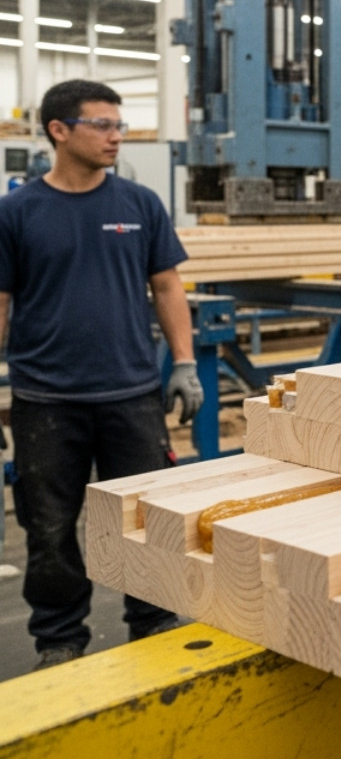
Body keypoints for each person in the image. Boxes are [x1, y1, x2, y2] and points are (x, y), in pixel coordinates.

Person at [0, 80, 201, 668]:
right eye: (103, 125)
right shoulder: (17, 212)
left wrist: (184, 363)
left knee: (145, 521)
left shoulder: (139, 206)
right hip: (46, 400)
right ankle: (60, 638)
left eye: (120, 124)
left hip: (131, 395)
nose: (118, 136)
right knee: (50, 525)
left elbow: (166, 285)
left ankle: (154, 619)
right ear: (59, 131)